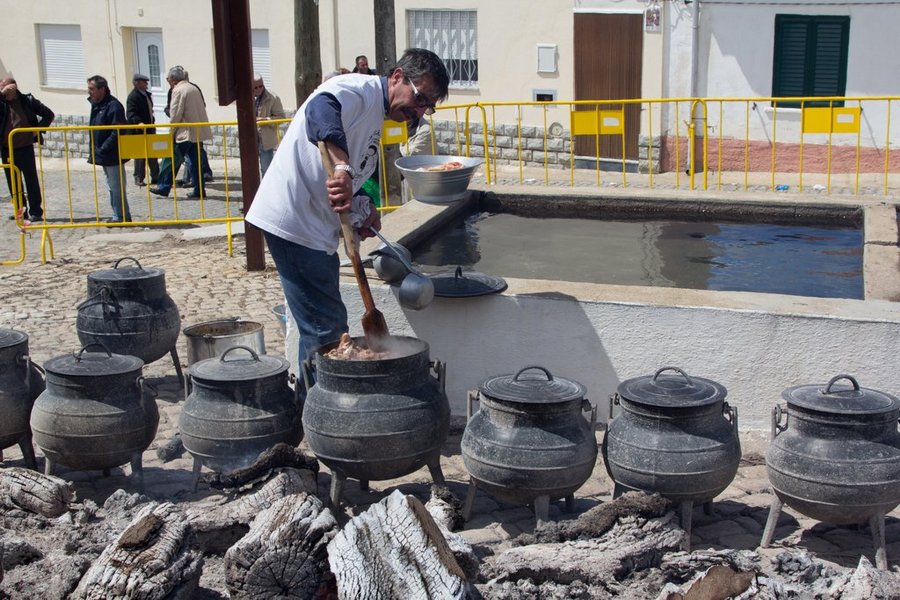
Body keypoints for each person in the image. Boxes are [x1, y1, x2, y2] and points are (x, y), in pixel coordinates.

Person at [245, 48, 449, 362]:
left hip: (316, 230)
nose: (420, 111)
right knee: (327, 332)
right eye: (420, 98)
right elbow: (320, 113)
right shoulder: (352, 91)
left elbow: (352, 177)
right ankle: (322, 407)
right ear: (397, 77)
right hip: (294, 222)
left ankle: (308, 402)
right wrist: (342, 168)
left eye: (429, 107)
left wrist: (361, 210)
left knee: (321, 329)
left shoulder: (376, 116)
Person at [150, 66, 211, 199]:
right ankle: (199, 190)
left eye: (168, 79)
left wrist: (171, 132)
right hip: (197, 131)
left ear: (173, 79)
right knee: (196, 164)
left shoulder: (178, 90)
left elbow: (175, 114)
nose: (168, 81)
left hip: (184, 133)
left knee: (171, 160)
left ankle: (164, 187)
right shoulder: (193, 87)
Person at [0, 77, 54, 221]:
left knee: (31, 180)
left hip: (25, 147)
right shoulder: (2, 102)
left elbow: (49, 114)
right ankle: (20, 212)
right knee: (13, 182)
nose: (5, 92)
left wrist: (38, 130)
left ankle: (36, 212)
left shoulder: (27, 100)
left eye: (6, 89)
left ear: (14, 88)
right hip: (7, 148)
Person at [87, 75, 132, 223]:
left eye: (92, 89)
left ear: (102, 89)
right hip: (104, 153)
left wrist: (103, 148)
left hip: (113, 154)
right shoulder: (97, 104)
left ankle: (121, 216)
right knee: (111, 186)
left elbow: (117, 131)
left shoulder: (113, 106)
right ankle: (119, 214)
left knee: (116, 186)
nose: (89, 92)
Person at [125, 73, 158, 187]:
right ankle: (139, 177)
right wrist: (139, 122)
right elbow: (131, 113)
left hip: (149, 128)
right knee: (140, 155)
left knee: (153, 154)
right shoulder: (133, 97)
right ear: (137, 83)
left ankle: (156, 177)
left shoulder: (146, 95)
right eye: (144, 82)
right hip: (138, 130)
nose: (146, 84)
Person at [253, 73, 285, 178]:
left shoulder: (272, 97)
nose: (259, 89)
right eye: (255, 87)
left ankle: (268, 192)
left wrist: (266, 120)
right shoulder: (246, 98)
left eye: (261, 86)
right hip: (250, 138)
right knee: (251, 171)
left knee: (267, 169)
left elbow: (281, 117)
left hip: (265, 139)